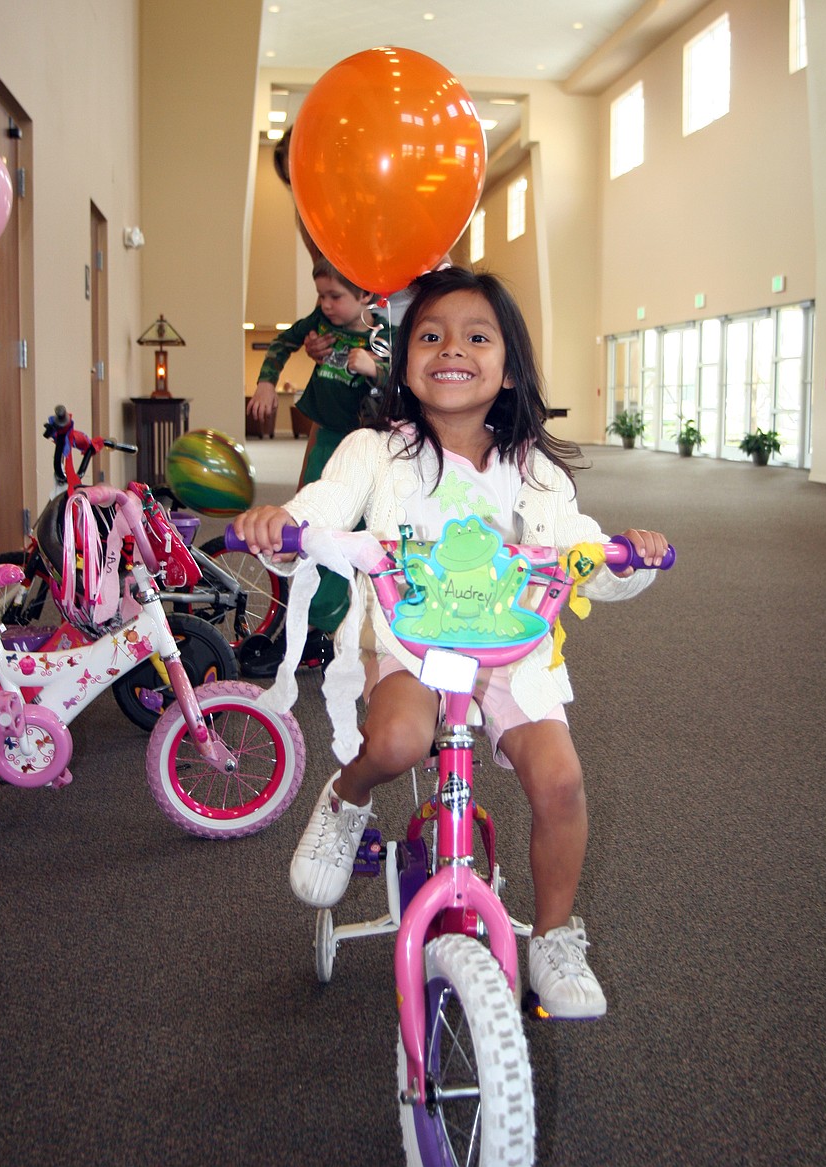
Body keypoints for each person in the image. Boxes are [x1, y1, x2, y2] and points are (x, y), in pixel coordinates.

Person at [235, 266, 670, 1020]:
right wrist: (285, 525)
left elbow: (581, 550)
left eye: (477, 336)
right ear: (403, 360)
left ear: (508, 367)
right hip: (408, 643)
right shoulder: (376, 451)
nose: (451, 349)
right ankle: (346, 798)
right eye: (429, 336)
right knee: (401, 737)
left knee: (561, 781)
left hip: (509, 650)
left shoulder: (530, 466)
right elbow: (324, 512)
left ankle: (558, 936)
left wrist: (628, 556)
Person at [245, 259, 393, 651]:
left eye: (335, 296)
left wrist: (377, 368)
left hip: (362, 447)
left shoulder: (386, 334)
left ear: (365, 295)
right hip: (326, 437)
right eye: (320, 296)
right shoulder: (322, 323)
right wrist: (265, 384)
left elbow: (410, 379)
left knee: (346, 532)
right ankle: (308, 618)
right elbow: (282, 343)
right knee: (307, 523)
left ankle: (327, 623)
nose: (326, 304)